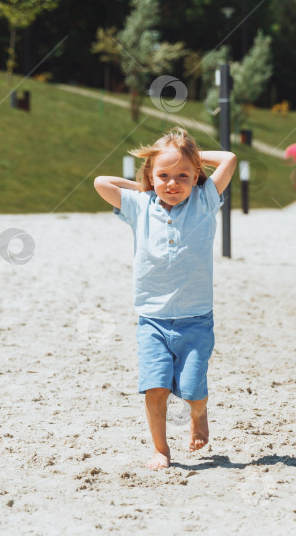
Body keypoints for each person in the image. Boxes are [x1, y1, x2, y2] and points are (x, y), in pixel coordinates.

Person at [93, 127, 236, 469]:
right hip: (152, 320)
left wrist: (189, 156)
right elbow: (102, 182)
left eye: (183, 176)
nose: (173, 183)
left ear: (197, 177)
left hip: (196, 318)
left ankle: (198, 414)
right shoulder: (139, 206)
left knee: (192, 390)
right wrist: (146, 184)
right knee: (155, 388)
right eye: (164, 176)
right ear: (150, 177)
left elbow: (229, 159)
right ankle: (161, 449)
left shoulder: (204, 201)